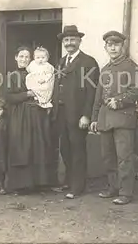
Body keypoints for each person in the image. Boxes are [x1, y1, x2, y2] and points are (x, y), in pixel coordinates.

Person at [90, 31, 138, 205]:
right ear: (105, 47)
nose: (112, 48)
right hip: (106, 119)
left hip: (123, 118)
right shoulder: (105, 69)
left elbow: (137, 90)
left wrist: (119, 101)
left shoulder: (131, 67)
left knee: (124, 157)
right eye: (109, 45)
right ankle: (112, 187)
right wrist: (94, 118)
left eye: (116, 44)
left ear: (123, 46)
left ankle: (125, 192)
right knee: (108, 156)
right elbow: (98, 96)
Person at [51, 25, 99, 199]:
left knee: (77, 149)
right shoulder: (61, 61)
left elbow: (91, 91)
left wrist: (86, 115)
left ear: (79, 41)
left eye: (72, 40)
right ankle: (69, 181)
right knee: (65, 148)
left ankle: (78, 186)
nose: (69, 43)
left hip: (78, 115)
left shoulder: (89, 62)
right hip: (61, 113)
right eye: (66, 40)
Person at [5, 46, 56, 194]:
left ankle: (39, 182)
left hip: (36, 114)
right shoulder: (12, 76)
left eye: (27, 57)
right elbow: (8, 96)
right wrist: (27, 94)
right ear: (16, 58)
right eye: (21, 56)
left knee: (38, 145)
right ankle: (20, 184)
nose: (24, 60)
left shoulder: (37, 72)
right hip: (20, 115)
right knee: (22, 147)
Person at [25, 46, 55, 111]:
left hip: (43, 81)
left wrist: (44, 79)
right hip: (36, 81)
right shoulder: (33, 64)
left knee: (45, 88)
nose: (40, 59)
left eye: (43, 58)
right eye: (38, 58)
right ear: (34, 58)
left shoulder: (47, 66)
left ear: (47, 58)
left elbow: (50, 74)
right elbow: (28, 70)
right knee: (29, 79)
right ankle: (36, 96)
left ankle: (44, 100)